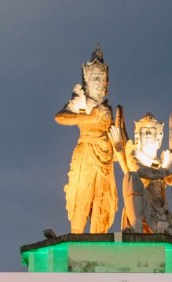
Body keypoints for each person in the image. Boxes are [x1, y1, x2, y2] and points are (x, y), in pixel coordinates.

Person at [115, 112, 172, 245]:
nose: (147, 134)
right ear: (138, 136)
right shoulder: (134, 154)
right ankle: (136, 229)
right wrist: (165, 172)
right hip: (144, 208)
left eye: (151, 131)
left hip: (163, 215)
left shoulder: (164, 162)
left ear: (159, 138)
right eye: (144, 131)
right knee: (131, 177)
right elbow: (139, 170)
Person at [55, 45, 117, 234]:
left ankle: (98, 239)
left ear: (106, 83)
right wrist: (87, 118)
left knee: (103, 202)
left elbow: (119, 137)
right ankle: (76, 235)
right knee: (81, 197)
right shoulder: (82, 101)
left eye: (100, 78)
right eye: (94, 77)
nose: (97, 82)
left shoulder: (108, 109)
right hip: (86, 153)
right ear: (86, 79)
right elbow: (60, 117)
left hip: (106, 157)